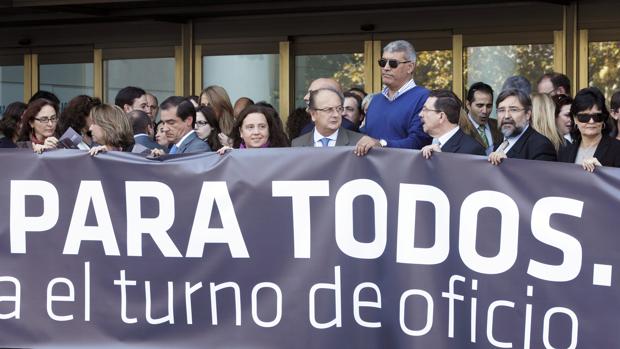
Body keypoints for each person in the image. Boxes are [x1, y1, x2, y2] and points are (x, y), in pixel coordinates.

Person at [355, 40, 431, 156]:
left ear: (410, 67)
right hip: (371, 172)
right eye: (382, 62)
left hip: (405, 171)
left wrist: (382, 144)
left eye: (393, 63)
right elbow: (365, 136)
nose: (386, 68)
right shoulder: (375, 100)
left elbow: (419, 142)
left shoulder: (425, 97)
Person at [488, 89, 557, 165]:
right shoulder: (500, 141)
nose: (506, 116)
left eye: (513, 110)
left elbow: (540, 176)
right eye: (501, 110)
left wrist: (507, 164)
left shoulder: (540, 145)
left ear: (527, 114)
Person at [558, 87, 620, 172]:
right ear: (575, 119)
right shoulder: (565, 152)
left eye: (597, 116)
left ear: (603, 118)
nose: (591, 121)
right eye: (584, 117)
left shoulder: (617, 149)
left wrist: (603, 172)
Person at [419, 90, 485, 158]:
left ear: (441, 116)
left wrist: (441, 158)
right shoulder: (425, 143)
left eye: (425, 110)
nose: (420, 114)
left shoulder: (472, 150)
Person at [292, 88, 364, 147]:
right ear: (313, 114)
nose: (336, 114)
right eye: (328, 109)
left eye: (339, 109)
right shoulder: (298, 144)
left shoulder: (360, 142)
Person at [218, 104, 289, 153]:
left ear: (269, 130)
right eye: (250, 127)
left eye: (262, 126)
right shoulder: (232, 156)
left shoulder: (281, 157)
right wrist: (227, 157)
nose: (256, 132)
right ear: (241, 132)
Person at [460, 82, 502, 155]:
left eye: (489, 106)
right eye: (480, 105)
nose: (485, 111)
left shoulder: (498, 126)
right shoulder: (459, 128)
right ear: (468, 105)